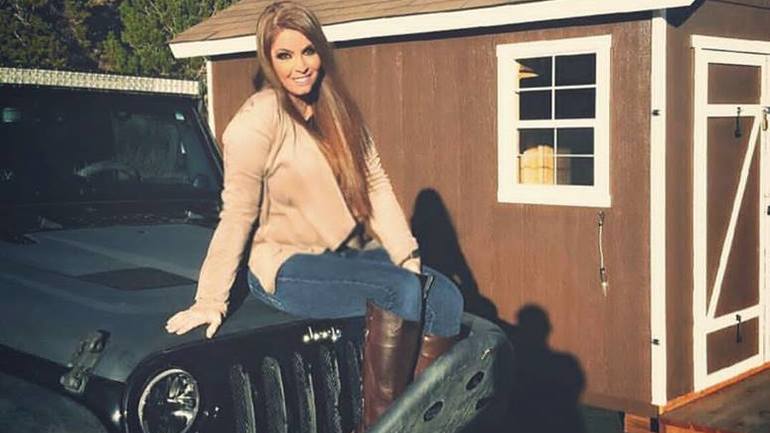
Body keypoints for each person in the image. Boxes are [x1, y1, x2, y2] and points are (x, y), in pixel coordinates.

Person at [164, 1, 463, 431]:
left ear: (321, 51)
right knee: (399, 289)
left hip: (346, 252)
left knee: (447, 297)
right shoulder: (256, 122)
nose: (300, 65)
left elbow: (376, 187)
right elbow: (238, 214)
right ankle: (382, 426)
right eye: (285, 55)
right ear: (269, 60)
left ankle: (424, 421)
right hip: (286, 265)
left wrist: (405, 253)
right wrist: (210, 299)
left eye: (308, 51)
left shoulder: (340, 113)